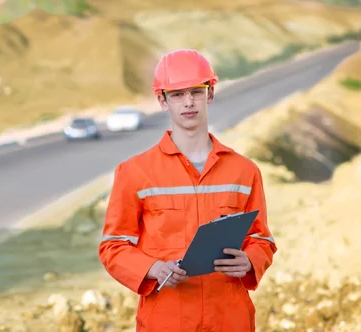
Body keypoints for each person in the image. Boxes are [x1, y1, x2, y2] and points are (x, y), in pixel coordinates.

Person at [98, 49, 277, 331]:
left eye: (196, 91)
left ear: (211, 93)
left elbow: (261, 238)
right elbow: (113, 246)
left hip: (229, 317)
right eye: (177, 94)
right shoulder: (135, 172)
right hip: (167, 317)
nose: (188, 102)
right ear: (162, 101)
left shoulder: (244, 171)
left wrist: (250, 260)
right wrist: (153, 269)